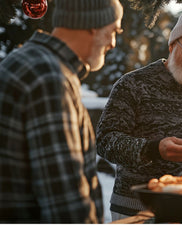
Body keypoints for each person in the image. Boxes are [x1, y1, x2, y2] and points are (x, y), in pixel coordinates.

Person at [0, 0, 123, 223]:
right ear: (94, 24)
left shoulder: (33, 63)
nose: (113, 43)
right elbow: (66, 206)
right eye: (114, 30)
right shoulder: (49, 77)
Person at [96, 11, 182, 221]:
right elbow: (105, 141)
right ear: (172, 46)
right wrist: (153, 149)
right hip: (134, 210)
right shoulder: (133, 84)